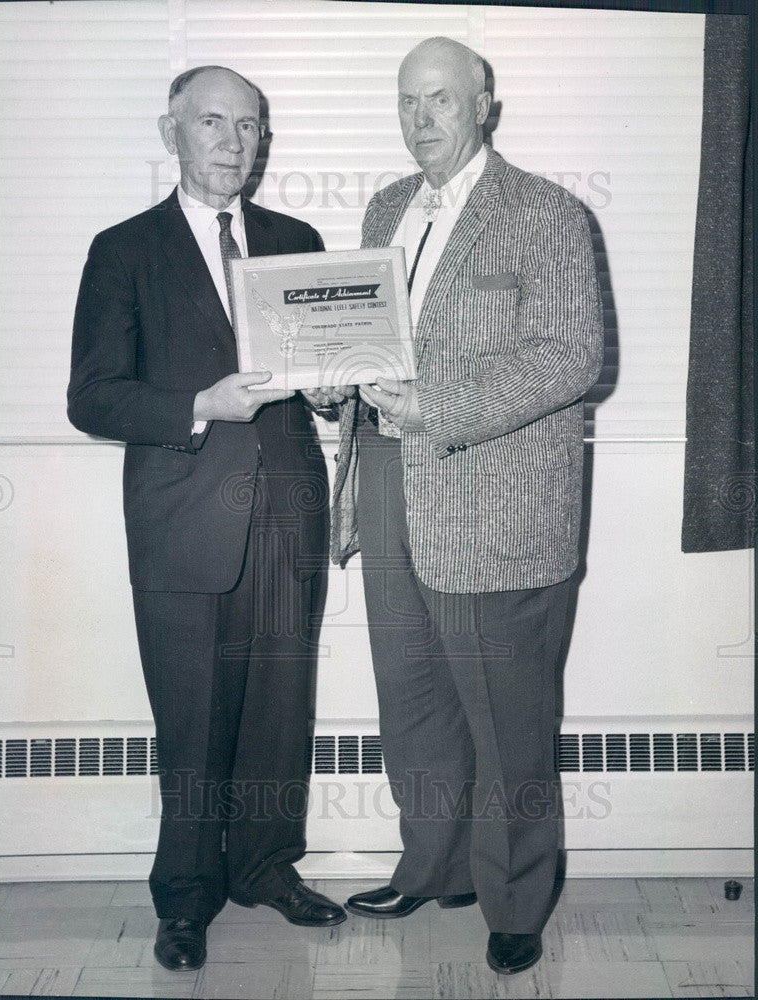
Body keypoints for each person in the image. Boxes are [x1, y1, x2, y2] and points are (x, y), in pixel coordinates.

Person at [331, 37, 603, 975]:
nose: (421, 120)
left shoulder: (548, 214)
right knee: (413, 705)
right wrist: (333, 380)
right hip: (388, 487)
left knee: (509, 720)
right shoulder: (385, 208)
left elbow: (572, 357)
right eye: (407, 102)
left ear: (483, 105)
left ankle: (517, 898)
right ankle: (434, 866)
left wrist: (438, 405)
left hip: (496, 509)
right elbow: (365, 335)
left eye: (441, 100)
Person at [68, 65, 346, 973]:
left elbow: (322, 381)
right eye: (214, 123)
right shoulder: (123, 250)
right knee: (190, 720)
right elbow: (93, 397)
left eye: (251, 126)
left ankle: (266, 866)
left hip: (287, 515)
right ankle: (185, 897)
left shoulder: (295, 239)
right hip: (183, 518)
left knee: (278, 707)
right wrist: (200, 405)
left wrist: (342, 393)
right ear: (172, 132)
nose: (234, 142)